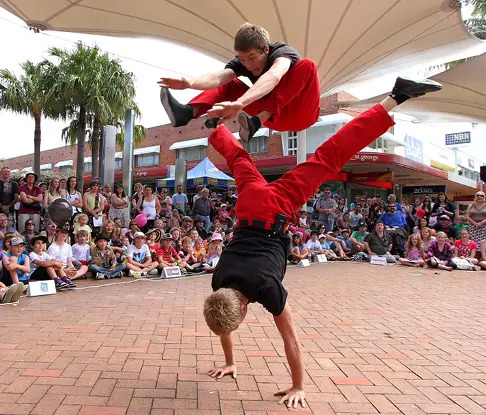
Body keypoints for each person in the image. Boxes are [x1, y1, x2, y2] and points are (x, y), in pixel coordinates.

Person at [201, 76, 441, 409]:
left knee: (328, 157)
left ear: (243, 308)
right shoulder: (218, 284)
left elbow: (292, 341)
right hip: (249, 206)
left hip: (278, 210)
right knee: (240, 160)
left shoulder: (266, 288)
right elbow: (223, 322)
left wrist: (299, 386)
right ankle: (214, 129)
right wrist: (230, 362)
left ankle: (397, 96)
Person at [159, 23, 319, 143]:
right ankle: (187, 113)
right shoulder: (242, 62)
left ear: (266, 50)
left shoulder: (282, 53)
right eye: (243, 59)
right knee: (229, 83)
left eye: (251, 57)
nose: (248, 64)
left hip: (301, 113)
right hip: (274, 119)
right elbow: (218, 78)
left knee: (307, 65)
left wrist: (240, 103)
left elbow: (274, 75)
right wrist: (190, 82)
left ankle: (257, 121)